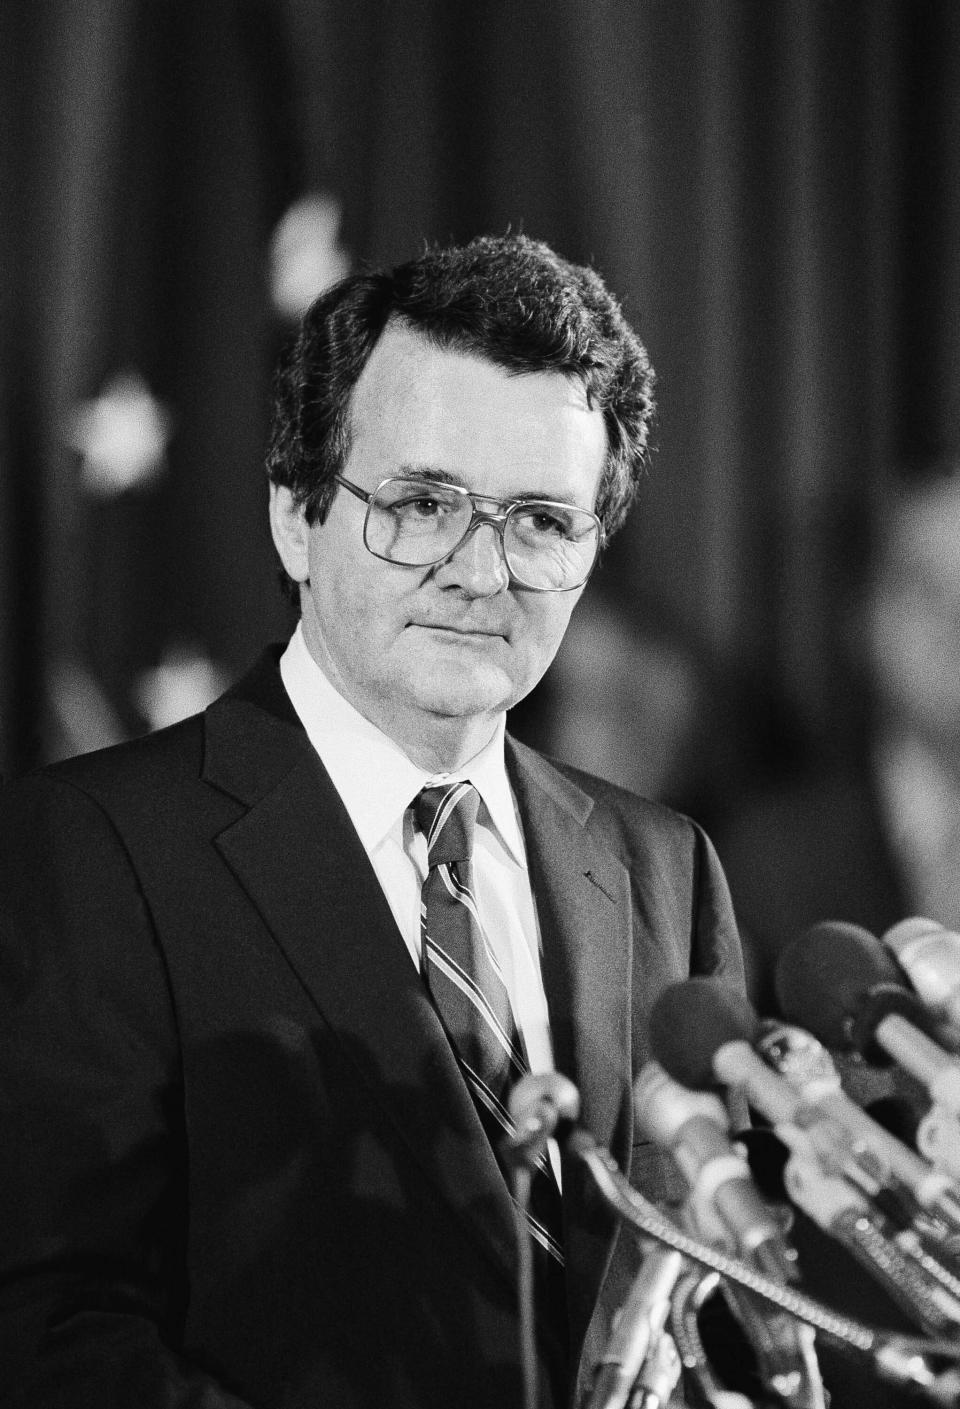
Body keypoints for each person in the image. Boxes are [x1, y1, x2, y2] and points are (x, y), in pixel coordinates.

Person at [0, 234, 745, 1409]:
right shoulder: (91, 850)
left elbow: (725, 1311)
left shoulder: (666, 867)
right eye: (420, 501)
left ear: (591, 551)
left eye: (541, 521)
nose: (479, 568)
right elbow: (49, 1332)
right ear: (298, 516)